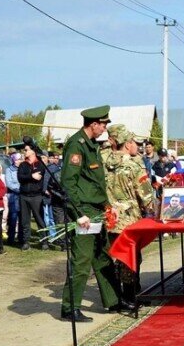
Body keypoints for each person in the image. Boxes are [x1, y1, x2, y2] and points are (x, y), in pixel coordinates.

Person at [58, 106, 129, 322]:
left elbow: (95, 182)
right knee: (82, 260)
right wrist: (78, 213)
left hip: (97, 210)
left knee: (103, 256)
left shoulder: (92, 146)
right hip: (84, 212)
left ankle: (113, 300)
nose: (105, 128)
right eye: (103, 124)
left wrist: (107, 205)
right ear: (93, 124)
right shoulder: (77, 145)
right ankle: (70, 307)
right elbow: (68, 183)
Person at [104, 125, 155, 306]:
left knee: (114, 255)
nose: (136, 145)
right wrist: (155, 210)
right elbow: (146, 194)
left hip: (109, 218)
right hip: (130, 219)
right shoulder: (133, 165)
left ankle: (117, 295)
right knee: (131, 257)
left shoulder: (102, 161)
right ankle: (130, 296)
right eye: (133, 141)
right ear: (127, 144)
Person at [17, 146, 49, 250]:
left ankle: (44, 242)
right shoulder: (22, 165)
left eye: (26, 150)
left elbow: (39, 177)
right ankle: (26, 242)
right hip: (24, 196)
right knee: (25, 221)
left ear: (33, 152)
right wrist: (31, 176)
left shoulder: (40, 164)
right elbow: (20, 178)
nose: (24, 151)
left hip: (36, 196)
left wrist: (29, 177)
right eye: (24, 150)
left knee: (40, 220)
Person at [3, 152, 22, 246]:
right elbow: (9, 183)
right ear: (13, 160)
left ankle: (21, 238)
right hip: (13, 196)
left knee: (22, 217)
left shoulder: (23, 169)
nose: (19, 161)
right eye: (17, 159)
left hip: (22, 196)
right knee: (13, 217)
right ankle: (11, 238)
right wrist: (20, 188)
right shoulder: (9, 170)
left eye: (20, 159)